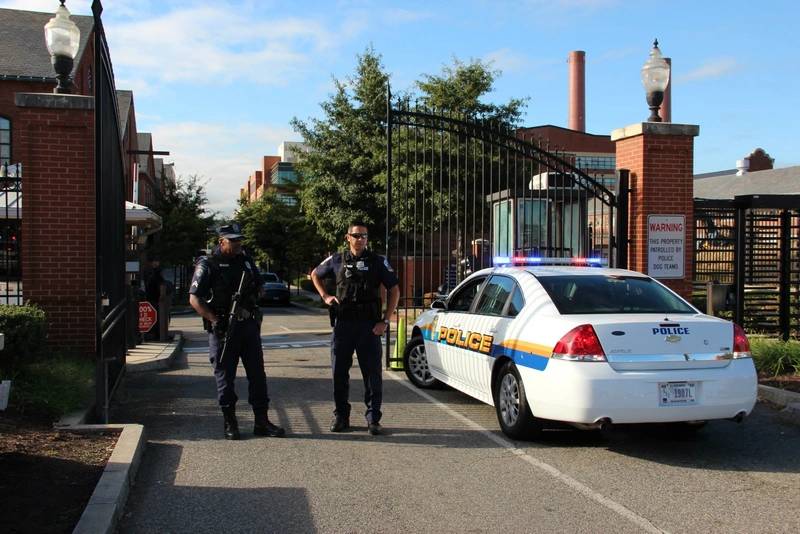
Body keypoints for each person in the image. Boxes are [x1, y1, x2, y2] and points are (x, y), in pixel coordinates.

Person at [189, 224, 285, 440]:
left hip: (248, 326)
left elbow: (260, 286)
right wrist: (214, 320)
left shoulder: (246, 261)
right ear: (221, 241)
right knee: (225, 376)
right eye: (233, 241)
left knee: (258, 376)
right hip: (223, 328)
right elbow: (194, 298)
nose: (238, 244)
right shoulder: (208, 264)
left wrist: (254, 294)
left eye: (239, 240)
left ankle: (262, 421)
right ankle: (230, 422)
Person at [311, 222, 400, 435]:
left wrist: (385, 321)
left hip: (369, 326)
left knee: (372, 375)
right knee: (339, 373)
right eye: (356, 235)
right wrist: (325, 296)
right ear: (347, 237)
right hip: (343, 325)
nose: (360, 239)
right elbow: (315, 274)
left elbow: (394, 290)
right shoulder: (337, 259)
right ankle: (341, 416)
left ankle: (373, 419)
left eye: (364, 236)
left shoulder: (378, 261)